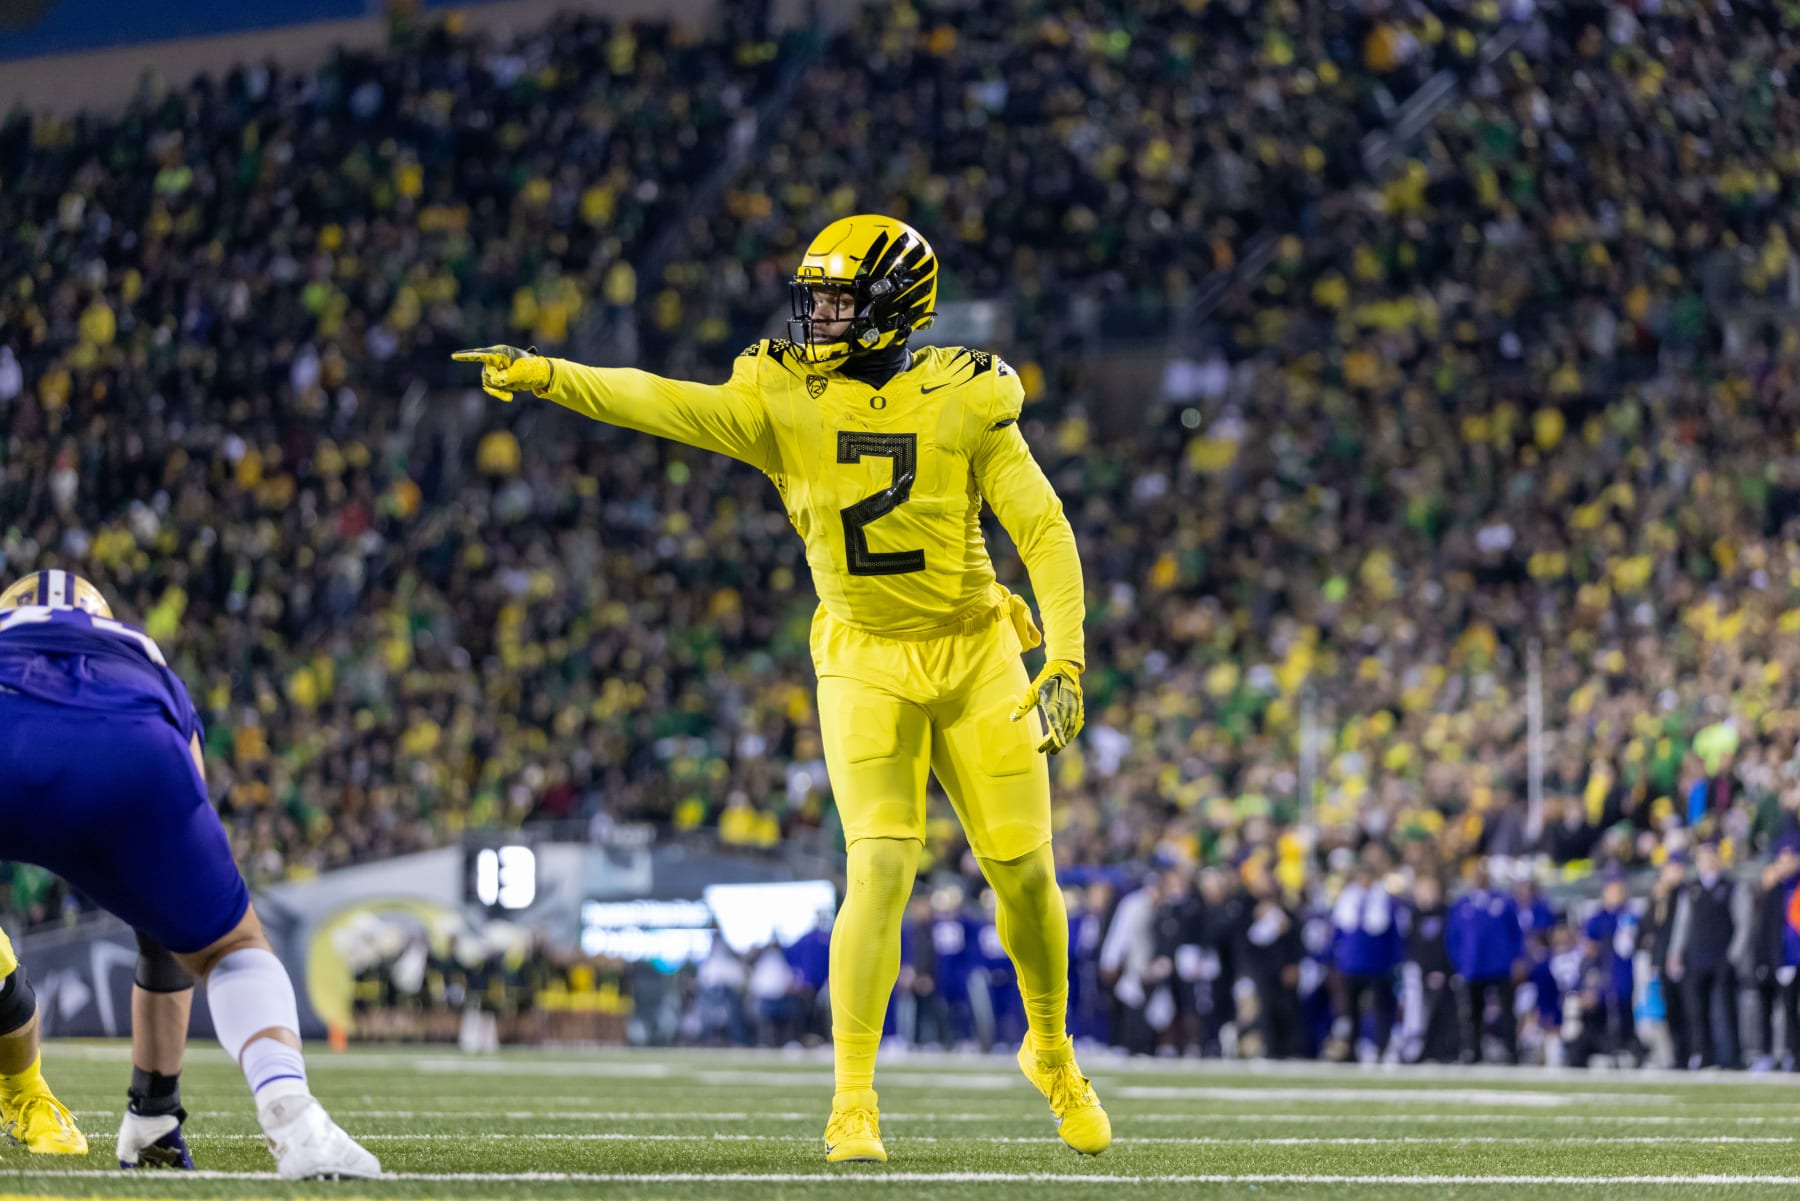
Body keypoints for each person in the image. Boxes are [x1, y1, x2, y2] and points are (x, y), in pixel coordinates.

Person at [454, 214, 1107, 1163]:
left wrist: (1067, 653)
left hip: (975, 650)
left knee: (1025, 874)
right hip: (862, 654)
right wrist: (553, 374)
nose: (820, 318)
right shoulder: (782, 394)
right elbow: (662, 401)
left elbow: (1042, 529)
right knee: (878, 866)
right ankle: (853, 1099)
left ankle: (1050, 1052)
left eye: (840, 300)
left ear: (892, 310)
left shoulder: (966, 396)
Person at [0, 571, 380, 1178]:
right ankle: (287, 1117)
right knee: (230, 946)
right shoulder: (137, 654)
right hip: (131, 744)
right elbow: (170, 912)